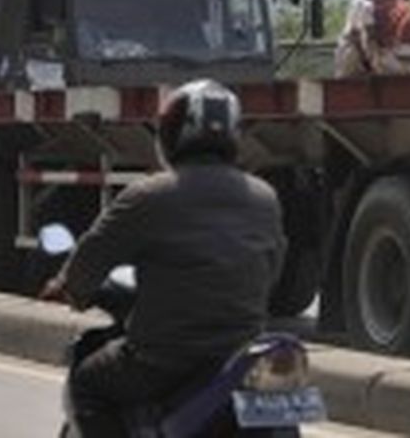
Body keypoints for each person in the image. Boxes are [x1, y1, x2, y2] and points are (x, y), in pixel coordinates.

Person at [40, 79, 287, 438]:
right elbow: (273, 271)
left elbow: (93, 254)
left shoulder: (148, 195)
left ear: (172, 134)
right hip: (238, 354)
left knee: (87, 383)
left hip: (162, 359)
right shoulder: (265, 197)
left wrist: (67, 288)